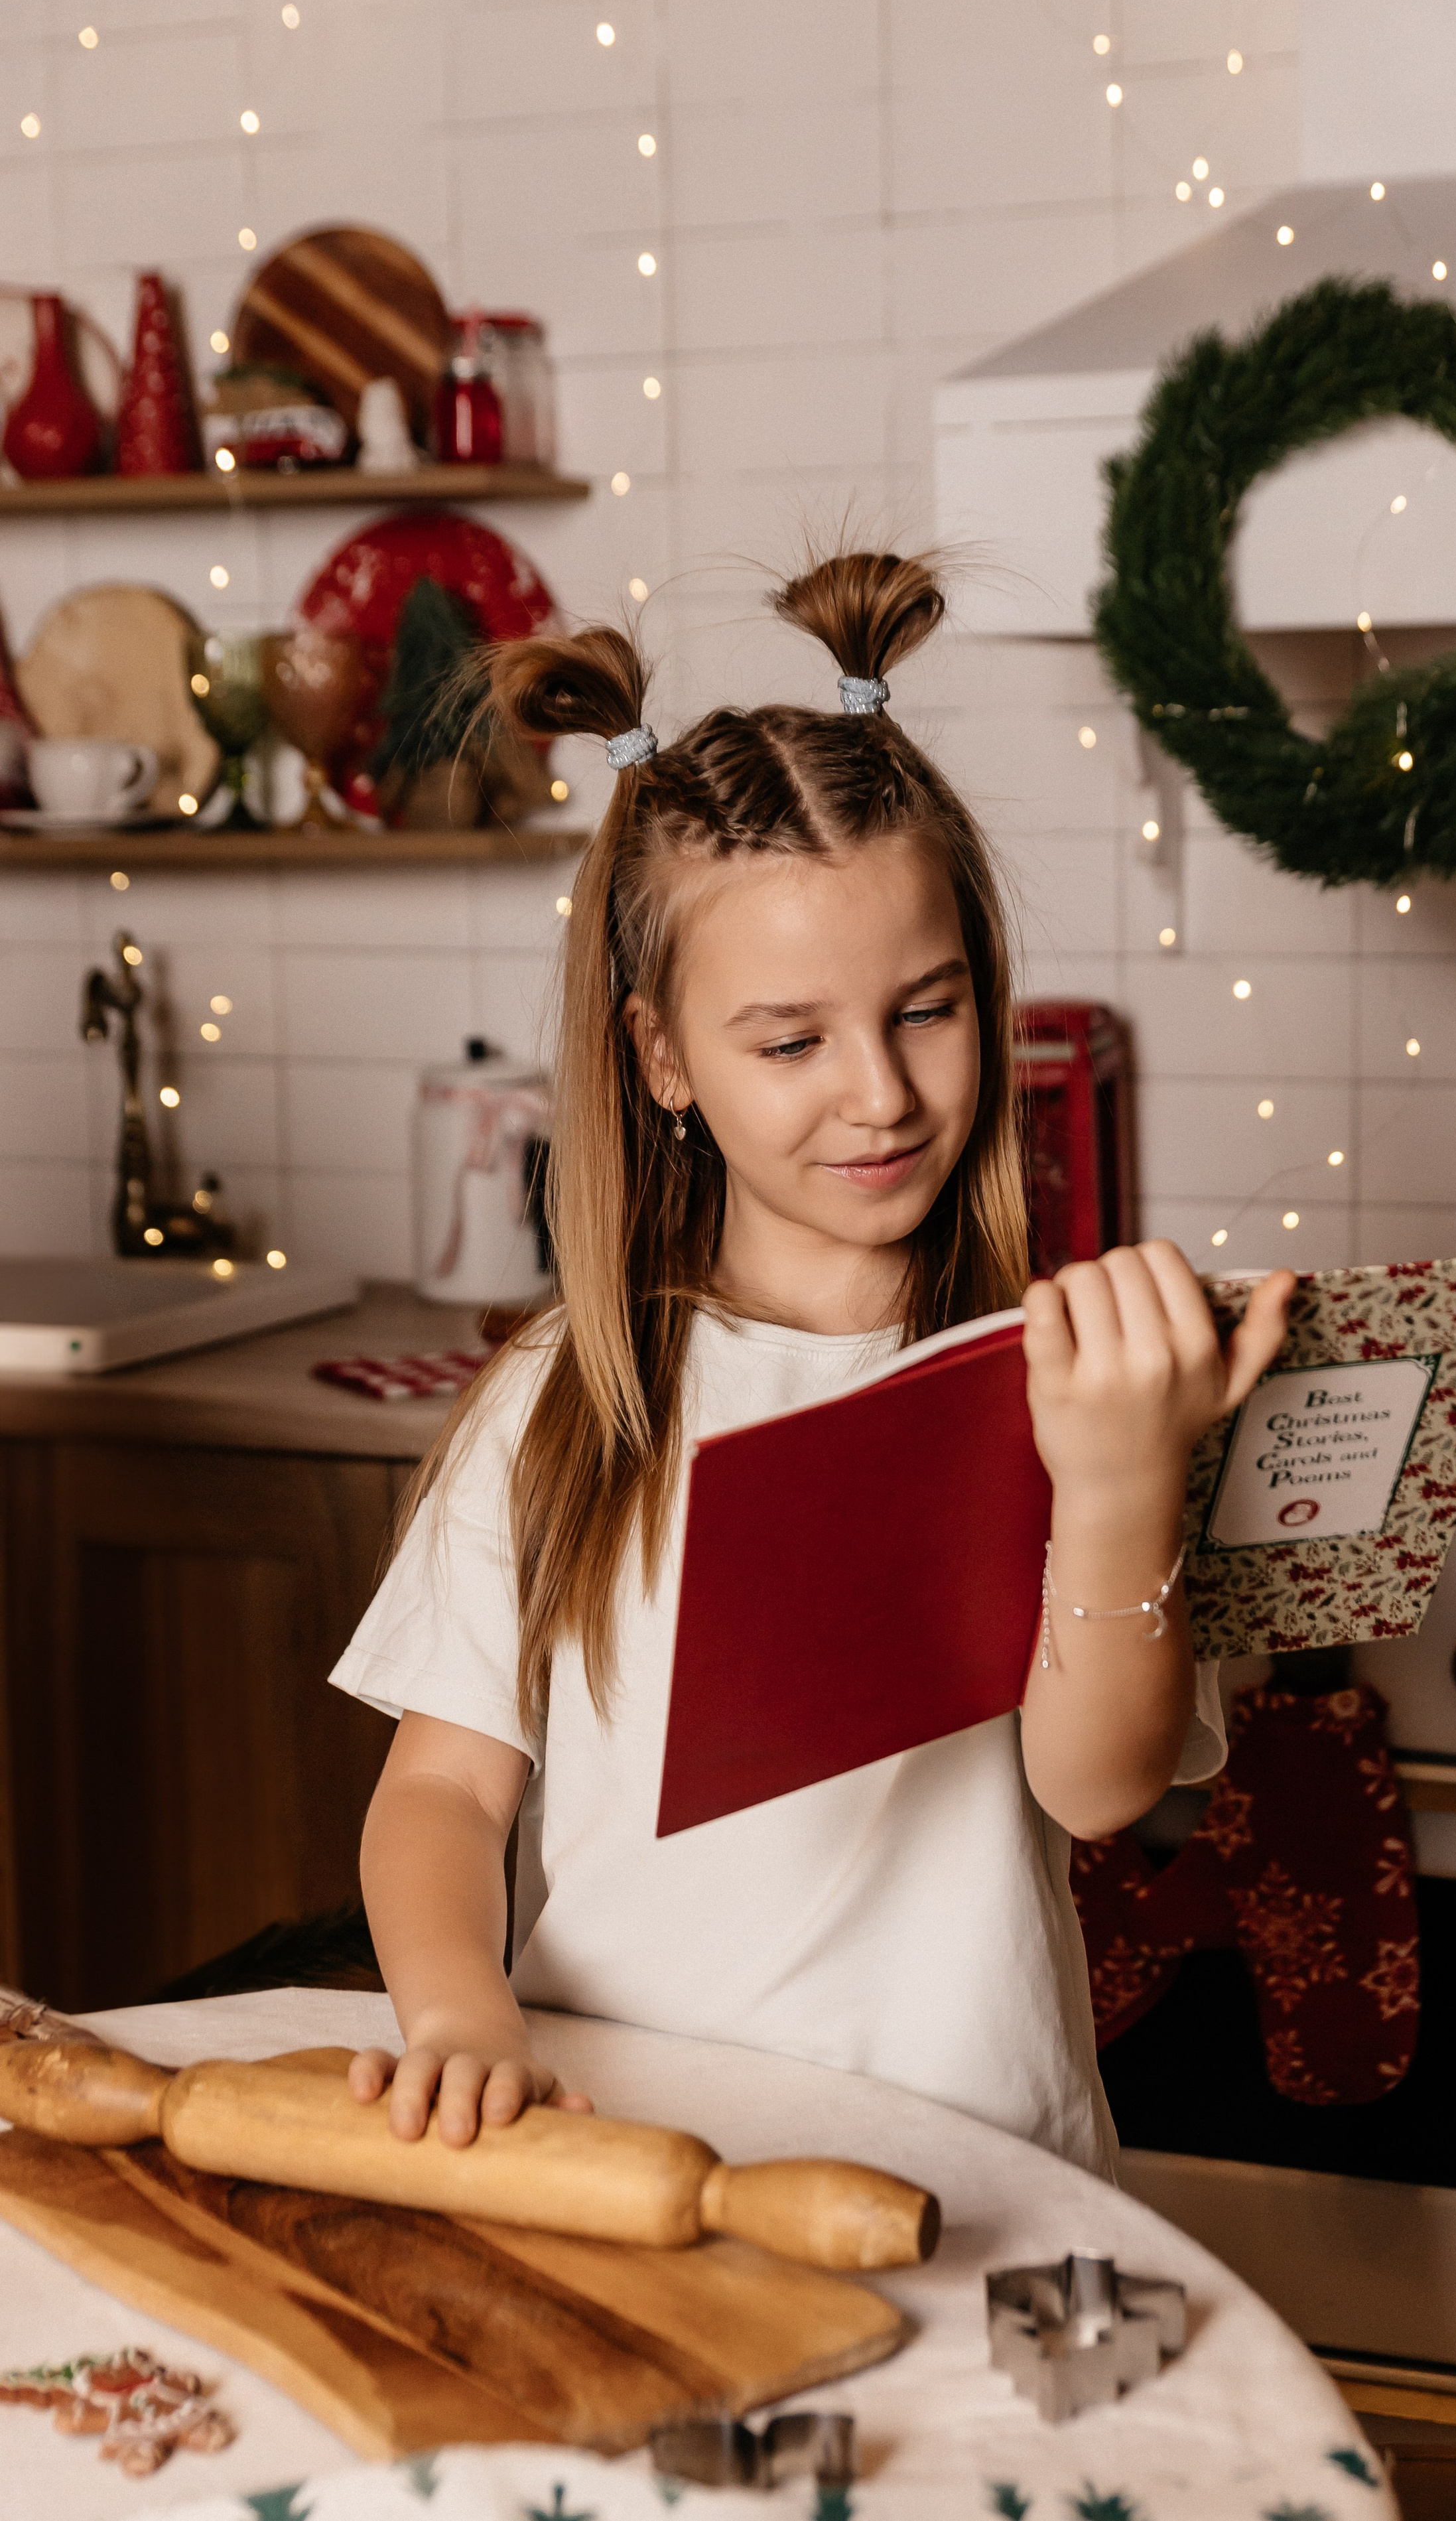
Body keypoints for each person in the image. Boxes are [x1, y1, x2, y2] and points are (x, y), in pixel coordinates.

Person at [332, 550, 1293, 2179]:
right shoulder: (572, 1398)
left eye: (925, 1010)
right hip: (619, 2146)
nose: (880, 1094)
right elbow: (441, 1795)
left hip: (979, 2155)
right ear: (660, 1058)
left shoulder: (1069, 1373)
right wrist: (456, 2009)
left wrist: (1123, 1481)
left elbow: (1099, 1787)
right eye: (789, 1041)